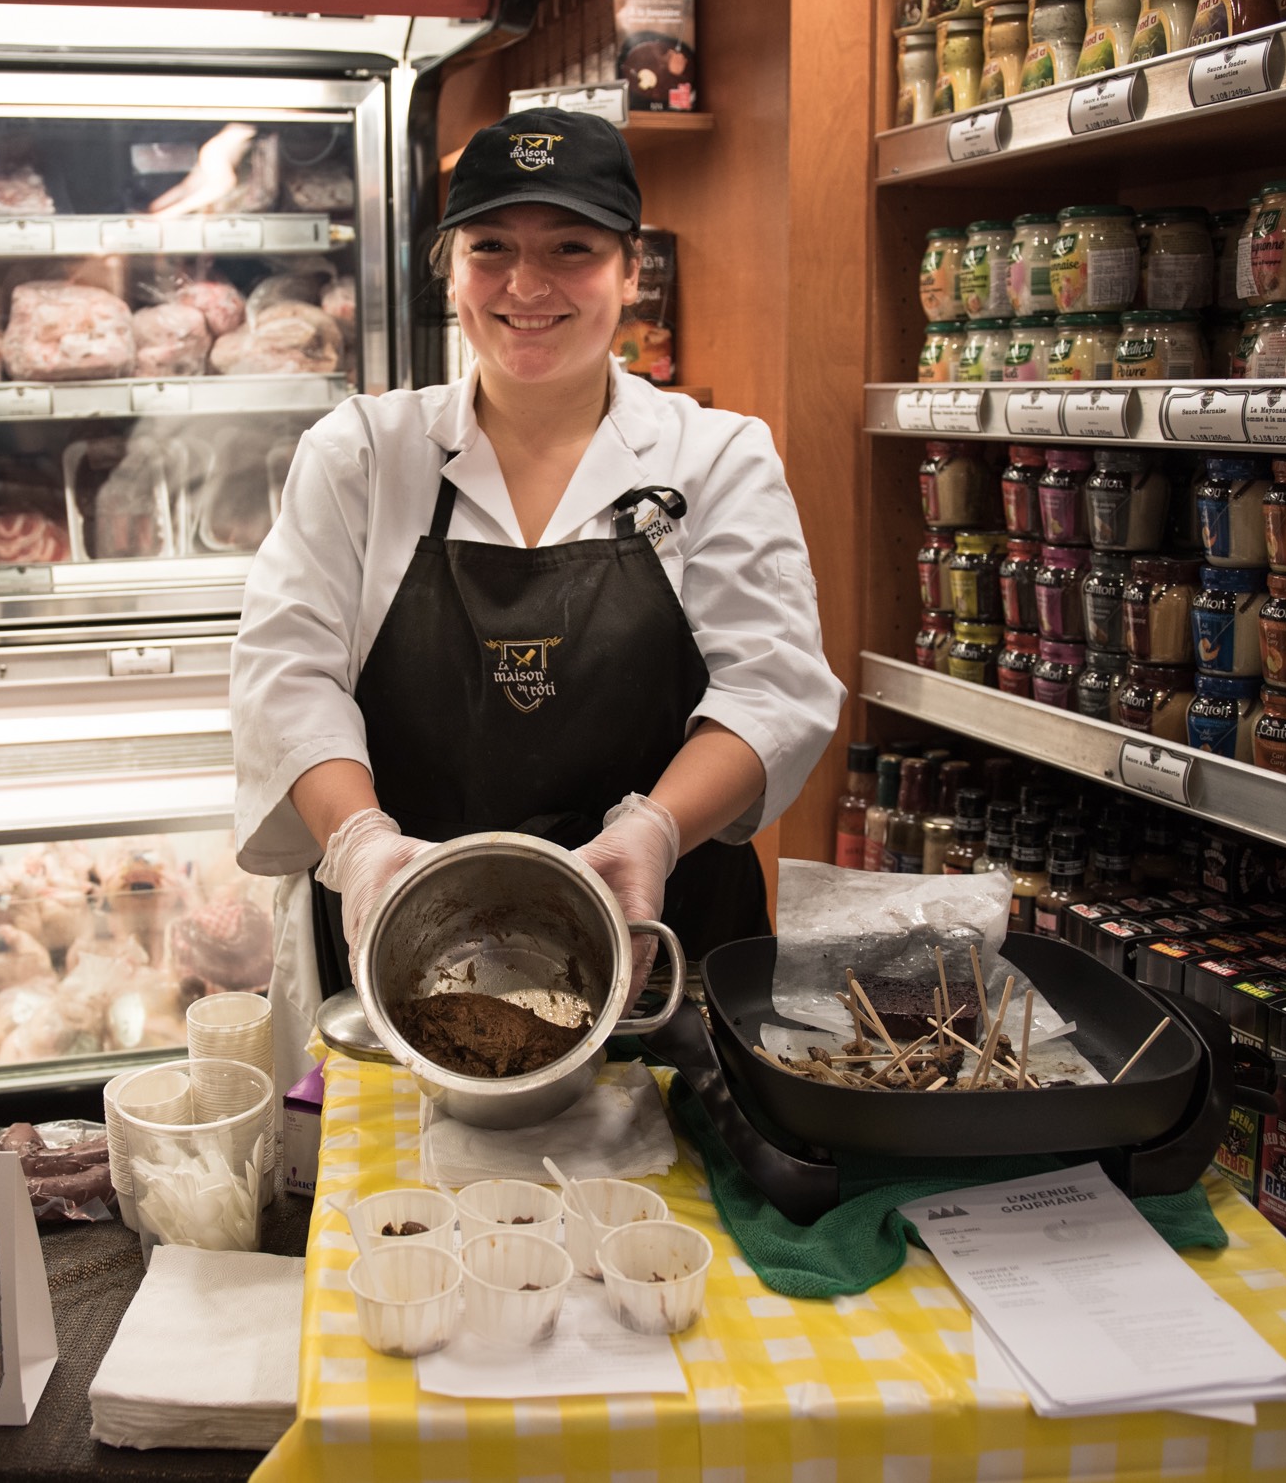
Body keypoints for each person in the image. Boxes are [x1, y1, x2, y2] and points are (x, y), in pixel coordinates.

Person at [230, 108, 843, 1088]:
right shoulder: (362, 453)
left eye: (571, 248)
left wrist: (652, 831)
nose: (525, 285)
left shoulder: (718, 457)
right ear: (449, 268)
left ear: (630, 269)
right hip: (401, 958)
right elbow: (284, 679)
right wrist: (359, 843)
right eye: (490, 250)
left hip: (662, 960)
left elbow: (772, 691)